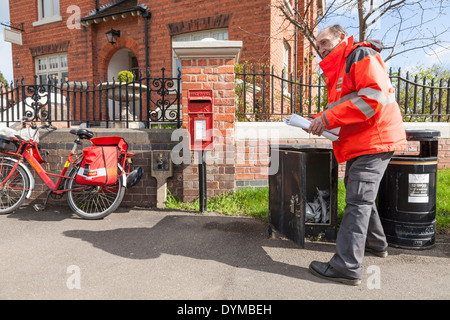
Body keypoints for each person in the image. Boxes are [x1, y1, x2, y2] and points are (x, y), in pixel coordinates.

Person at [306, 25, 407, 286]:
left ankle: (346, 266)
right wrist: (321, 119)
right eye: (318, 45)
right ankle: (376, 243)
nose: (321, 49)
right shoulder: (340, 67)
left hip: (375, 139)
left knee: (358, 199)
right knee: (358, 192)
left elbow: (373, 99)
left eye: (325, 42)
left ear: (342, 38)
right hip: (364, 141)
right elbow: (345, 108)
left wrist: (328, 118)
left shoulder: (359, 54)